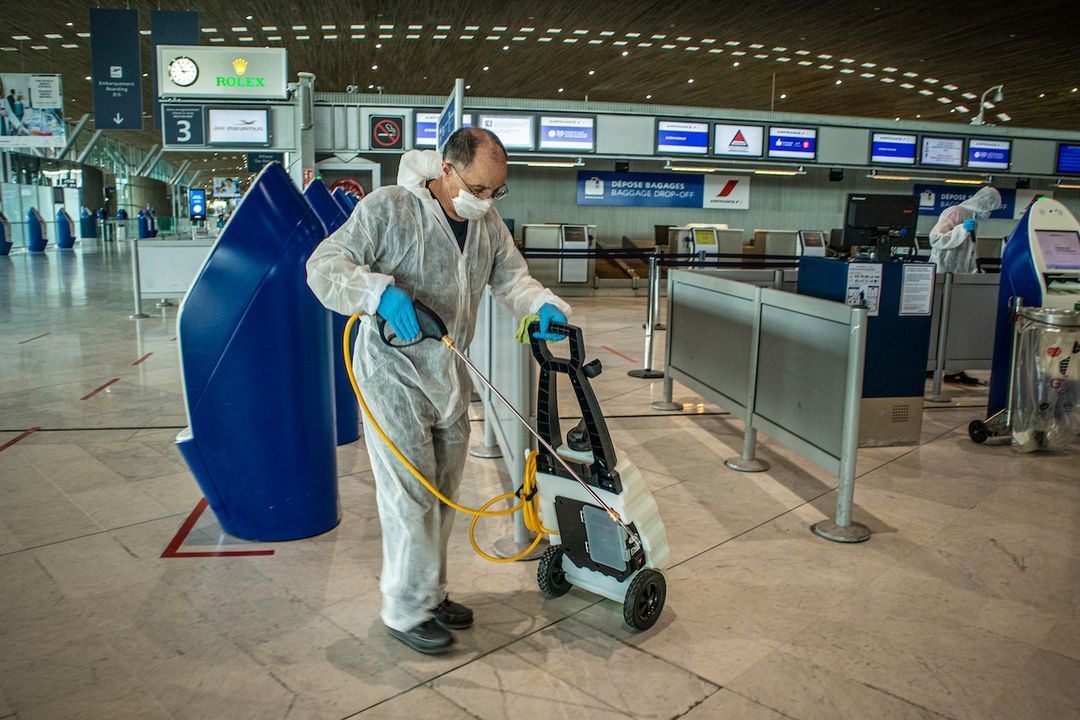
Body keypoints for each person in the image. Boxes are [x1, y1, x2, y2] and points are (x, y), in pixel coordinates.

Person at [306, 128, 571, 654]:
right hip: (392, 376)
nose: (487, 200)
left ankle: (431, 590)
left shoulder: (486, 224)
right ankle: (404, 611)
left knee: (443, 495)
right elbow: (324, 267)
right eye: (479, 187)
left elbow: (512, 279)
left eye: (498, 191)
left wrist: (541, 304)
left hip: (449, 375)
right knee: (408, 498)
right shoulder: (390, 209)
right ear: (447, 171)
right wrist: (378, 294)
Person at [928, 186, 1002, 275]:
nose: (989, 213)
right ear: (983, 203)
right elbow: (935, 239)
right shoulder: (955, 212)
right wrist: (962, 229)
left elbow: (969, 251)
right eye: (989, 209)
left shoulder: (972, 217)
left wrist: (975, 271)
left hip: (959, 274)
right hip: (941, 270)